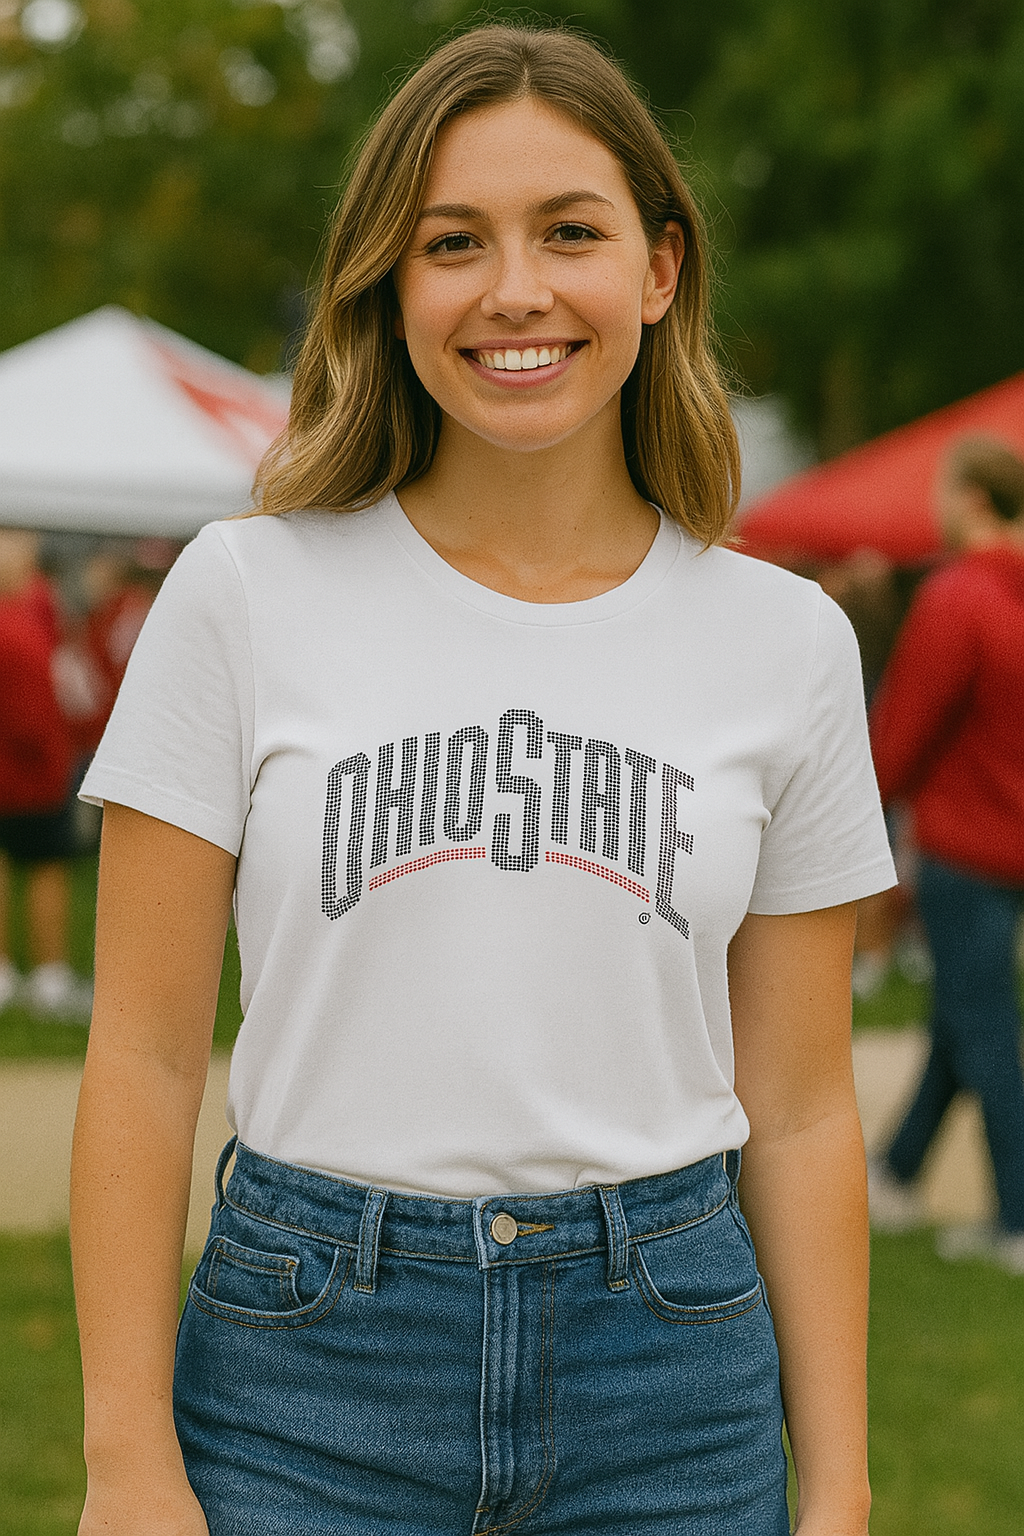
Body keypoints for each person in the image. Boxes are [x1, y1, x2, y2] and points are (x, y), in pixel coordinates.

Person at [71, 24, 894, 1536]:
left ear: (659, 270)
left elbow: (801, 1107)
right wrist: (128, 1466)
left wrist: (836, 1489)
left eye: (568, 233)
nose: (514, 290)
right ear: (391, 283)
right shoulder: (243, 593)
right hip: (305, 1370)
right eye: (453, 242)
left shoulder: (785, 640)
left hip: (673, 1371)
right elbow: (142, 1060)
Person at [868, 435, 1024, 1272]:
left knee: (986, 1028)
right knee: (960, 1018)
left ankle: (1019, 1220)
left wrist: (858, 809)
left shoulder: (957, 596)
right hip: (1016, 846)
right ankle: (895, 1174)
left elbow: (906, 726)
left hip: (965, 846)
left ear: (969, 502)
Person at [0, 528, 91, 1020]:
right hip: (29, 774)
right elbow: (34, 715)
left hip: (14, 770)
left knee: (15, 866)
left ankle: (12, 972)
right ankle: (50, 977)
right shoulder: (18, 629)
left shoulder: (30, 611)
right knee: (47, 868)